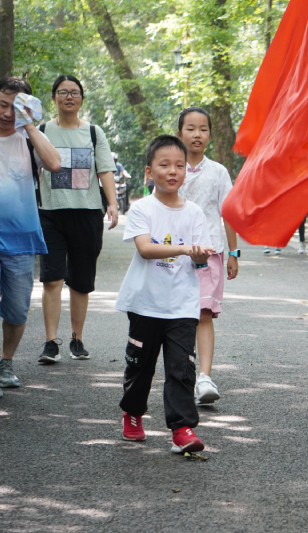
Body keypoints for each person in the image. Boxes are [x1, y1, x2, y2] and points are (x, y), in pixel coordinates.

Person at [114, 135, 214, 453]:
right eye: (165, 165)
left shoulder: (195, 213)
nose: (173, 171)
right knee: (140, 366)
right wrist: (185, 248)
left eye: (179, 166)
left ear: (186, 171)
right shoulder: (142, 208)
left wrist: (199, 256)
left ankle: (182, 429)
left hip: (183, 305)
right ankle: (132, 413)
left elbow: (200, 262)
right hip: (145, 303)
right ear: (149, 171)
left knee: (181, 368)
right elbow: (145, 249)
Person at [0, 77, 61, 399]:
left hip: (21, 239)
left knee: (17, 311)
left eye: (15, 107)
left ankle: (6, 362)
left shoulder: (30, 138)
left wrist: (28, 124)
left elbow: (55, 164)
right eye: (3, 104)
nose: (7, 113)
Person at [36, 75, 119, 365]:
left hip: (87, 212)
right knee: (52, 278)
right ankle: (50, 342)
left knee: (81, 281)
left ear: (82, 98)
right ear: (53, 98)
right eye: (62, 92)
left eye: (74, 92)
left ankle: (77, 339)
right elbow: (31, 171)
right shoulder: (42, 131)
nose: (69, 97)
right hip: (50, 213)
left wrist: (112, 204)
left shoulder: (94, 132)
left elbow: (105, 169)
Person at [175, 107, 239, 405]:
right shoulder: (172, 168)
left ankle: (204, 377)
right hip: (173, 252)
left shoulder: (218, 172)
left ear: (210, 135)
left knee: (202, 313)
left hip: (210, 252)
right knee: (178, 315)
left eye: (203, 129)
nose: (197, 134)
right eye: (190, 128)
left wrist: (233, 253)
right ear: (179, 133)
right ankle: (181, 374)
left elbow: (229, 213)